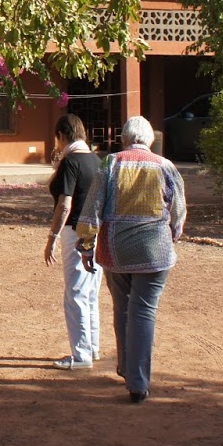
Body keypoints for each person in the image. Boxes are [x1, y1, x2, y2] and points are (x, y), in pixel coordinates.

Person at [75, 115, 186, 403]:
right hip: (155, 251)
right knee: (143, 312)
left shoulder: (111, 164)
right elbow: (178, 212)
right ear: (150, 140)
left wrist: (86, 245)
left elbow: (92, 207)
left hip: (115, 251)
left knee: (122, 308)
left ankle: (127, 368)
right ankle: (138, 383)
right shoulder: (166, 166)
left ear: (124, 139)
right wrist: (172, 235)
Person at [43, 113, 101, 370]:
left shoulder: (71, 162)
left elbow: (65, 205)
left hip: (75, 231)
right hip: (95, 231)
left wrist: (52, 237)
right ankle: (92, 347)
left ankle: (81, 355)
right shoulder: (96, 161)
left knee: (75, 293)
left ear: (61, 135)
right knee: (90, 293)